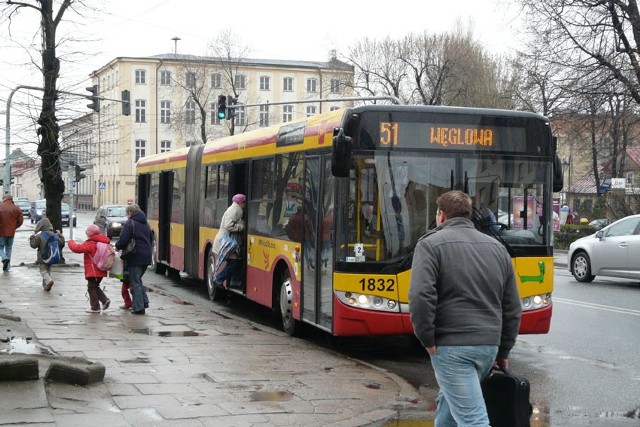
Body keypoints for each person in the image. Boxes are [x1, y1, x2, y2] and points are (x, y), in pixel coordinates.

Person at [409, 190, 522, 427]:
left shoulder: (429, 245)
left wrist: (427, 339)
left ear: (441, 215)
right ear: (468, 215)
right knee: (449, 411)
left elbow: (421, 296)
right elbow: (512, 306)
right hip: (488, 347)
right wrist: (503, 350)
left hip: (452, 347)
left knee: (473, 421)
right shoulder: (497, 248)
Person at [114, 204, 151, 314]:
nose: (126, 216)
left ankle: (139, 308)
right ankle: (144, 302)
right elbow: (151, 237)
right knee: (137, 280)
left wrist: (116, 247)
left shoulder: (130, 223)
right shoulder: (146, 223)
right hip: (147, 255)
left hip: (135, 255)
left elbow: (123, 239)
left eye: (127, 214)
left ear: (130, 213)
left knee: (135, 281)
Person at [68, 224, 112, 313]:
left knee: (91, 287)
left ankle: (95, 307)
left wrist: (70, 242)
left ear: (90, 234)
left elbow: (77, 248)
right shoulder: (103, 242)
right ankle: (104, 300)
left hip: (93, 271)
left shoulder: (91, 243)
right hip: (102, 269)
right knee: (94, 286)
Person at [212, 194, 246, 288]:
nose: (245, 205)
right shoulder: (234, 210)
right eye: (244, 203)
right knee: (234, 262)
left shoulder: (235, 209)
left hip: (228, 241)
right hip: (227, 241)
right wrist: (242, 227)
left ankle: (235, 281)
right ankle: (219, 279)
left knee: (237, 260)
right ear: (240, 202)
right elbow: (228, 225)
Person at [29, 218, 65, 291]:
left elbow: (34, 245)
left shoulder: (40, 236)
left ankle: (49, 281)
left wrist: (32, 238)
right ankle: (46, 286)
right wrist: (60, 235)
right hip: (52, 257)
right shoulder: (55, 235)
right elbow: (62, 243)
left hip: (43, 258)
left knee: (43, 271)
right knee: (48, 271)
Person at [0, 194, 24, 271]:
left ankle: (4, 258)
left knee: (0, 247)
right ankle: (7, 267)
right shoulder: (16, 208)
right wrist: (14, 227)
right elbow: (20, 221)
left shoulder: (0, 206)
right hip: (11, 232)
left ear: (4, 199)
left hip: (1, 231)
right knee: (9, 248)